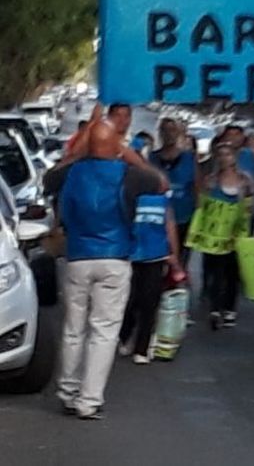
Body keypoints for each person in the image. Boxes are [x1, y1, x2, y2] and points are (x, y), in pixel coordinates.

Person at [44, 122, 163, 420]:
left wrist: (78, 152)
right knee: (104, 331)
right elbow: (160, 183)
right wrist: (129, 154)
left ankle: (68, 391)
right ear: (115, 146)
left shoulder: (71, 174)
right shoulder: (130, 175)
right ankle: (89, 399)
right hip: (115, 257)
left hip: (77, 257)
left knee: (73, 328)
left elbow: (48, 180)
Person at [118, 136, 185, 365]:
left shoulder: (160, 197)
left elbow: (169, 225)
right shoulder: (126, 194)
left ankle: (142, 346)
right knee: (130, 300)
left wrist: (173, 255)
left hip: (155, 255)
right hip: (131, 253)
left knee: (150, 301)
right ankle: (125, 336)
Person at [201, 141, 254, 330]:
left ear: (234, 157)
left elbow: (250, 206)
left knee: (232, 272)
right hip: (214, 233)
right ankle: (215, 308)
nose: (224, 158)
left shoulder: (245, 180)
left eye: (228, 154)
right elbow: (204, 207)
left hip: (236, 233)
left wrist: (243, 229)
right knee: (214, 271)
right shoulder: (211, 180)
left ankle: (229, 308)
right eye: (221, 155)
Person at [150, 118, 200, 264]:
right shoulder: (152, 158)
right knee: (160, 258)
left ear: (178, 133)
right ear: (160, 133)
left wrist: (198, 216)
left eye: (172, 130)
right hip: (158, 218)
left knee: (181, 259)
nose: (169, 134)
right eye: (165, 130)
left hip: (184, 216)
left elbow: (197, 187)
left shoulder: (189, 158)